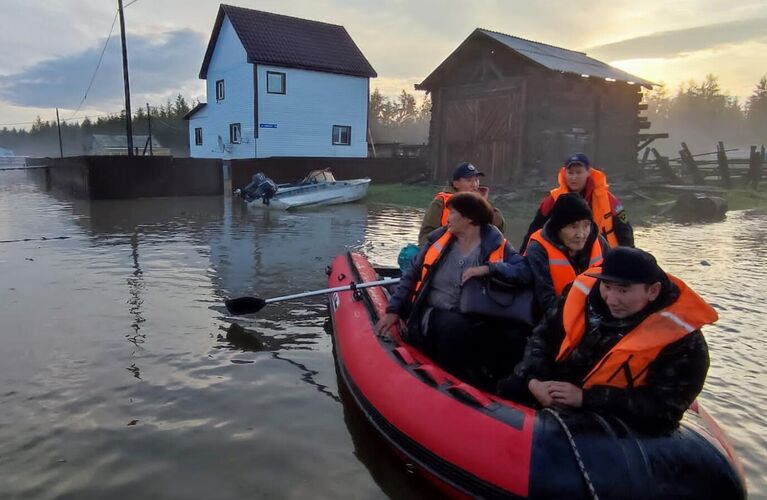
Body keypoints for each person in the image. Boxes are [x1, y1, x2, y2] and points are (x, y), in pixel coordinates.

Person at [501, 247, 716, 432]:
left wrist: (585, 399)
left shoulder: (685, 342)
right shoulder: (580, 296)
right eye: (607, 287)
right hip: (549, 387)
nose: (612, 300)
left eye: (623, 290)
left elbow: (664, 408)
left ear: (653, 291)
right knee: (509, 383)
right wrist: (534, 381)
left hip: (609, 418)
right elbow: (542, 338)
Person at [376, 192, 532, 389]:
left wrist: (489, 268)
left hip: (478, 314)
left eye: (453, 213)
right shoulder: (439, 240)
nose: (448, 218)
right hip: (435, 313)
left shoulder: (495, 242)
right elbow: (411, 275)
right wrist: (393, 310)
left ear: (468, 219)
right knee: (456, 327)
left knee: (514, 333)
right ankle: (453, 383)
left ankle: (499, 385)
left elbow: (524, 271)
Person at [519, 153, 633, 253]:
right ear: (564, 173)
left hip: (604, 256)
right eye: (570, 173)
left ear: (588, 172)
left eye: (578, 172)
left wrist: (629, 258)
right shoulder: (553, 200)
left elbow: (625, 231)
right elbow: (534, 231)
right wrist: (522, 257)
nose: (574, 177)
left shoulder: (609, 200)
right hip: (567, 255)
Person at [525, 192, 609, 315]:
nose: (581, 234)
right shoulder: (538, 249)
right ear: (558, 228)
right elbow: (546, 304)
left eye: (586, 225)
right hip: (553, 319)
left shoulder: (599, 242)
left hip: (595, 313)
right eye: (573, 226)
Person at [418, 162, 506, 246]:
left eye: (476, 180)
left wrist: (483, 205)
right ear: (456, 184)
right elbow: (425, 234)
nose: (474, 184)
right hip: (445, 254)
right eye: (469, 180)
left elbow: (500, 227)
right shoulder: (440, 202)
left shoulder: (483, 202)